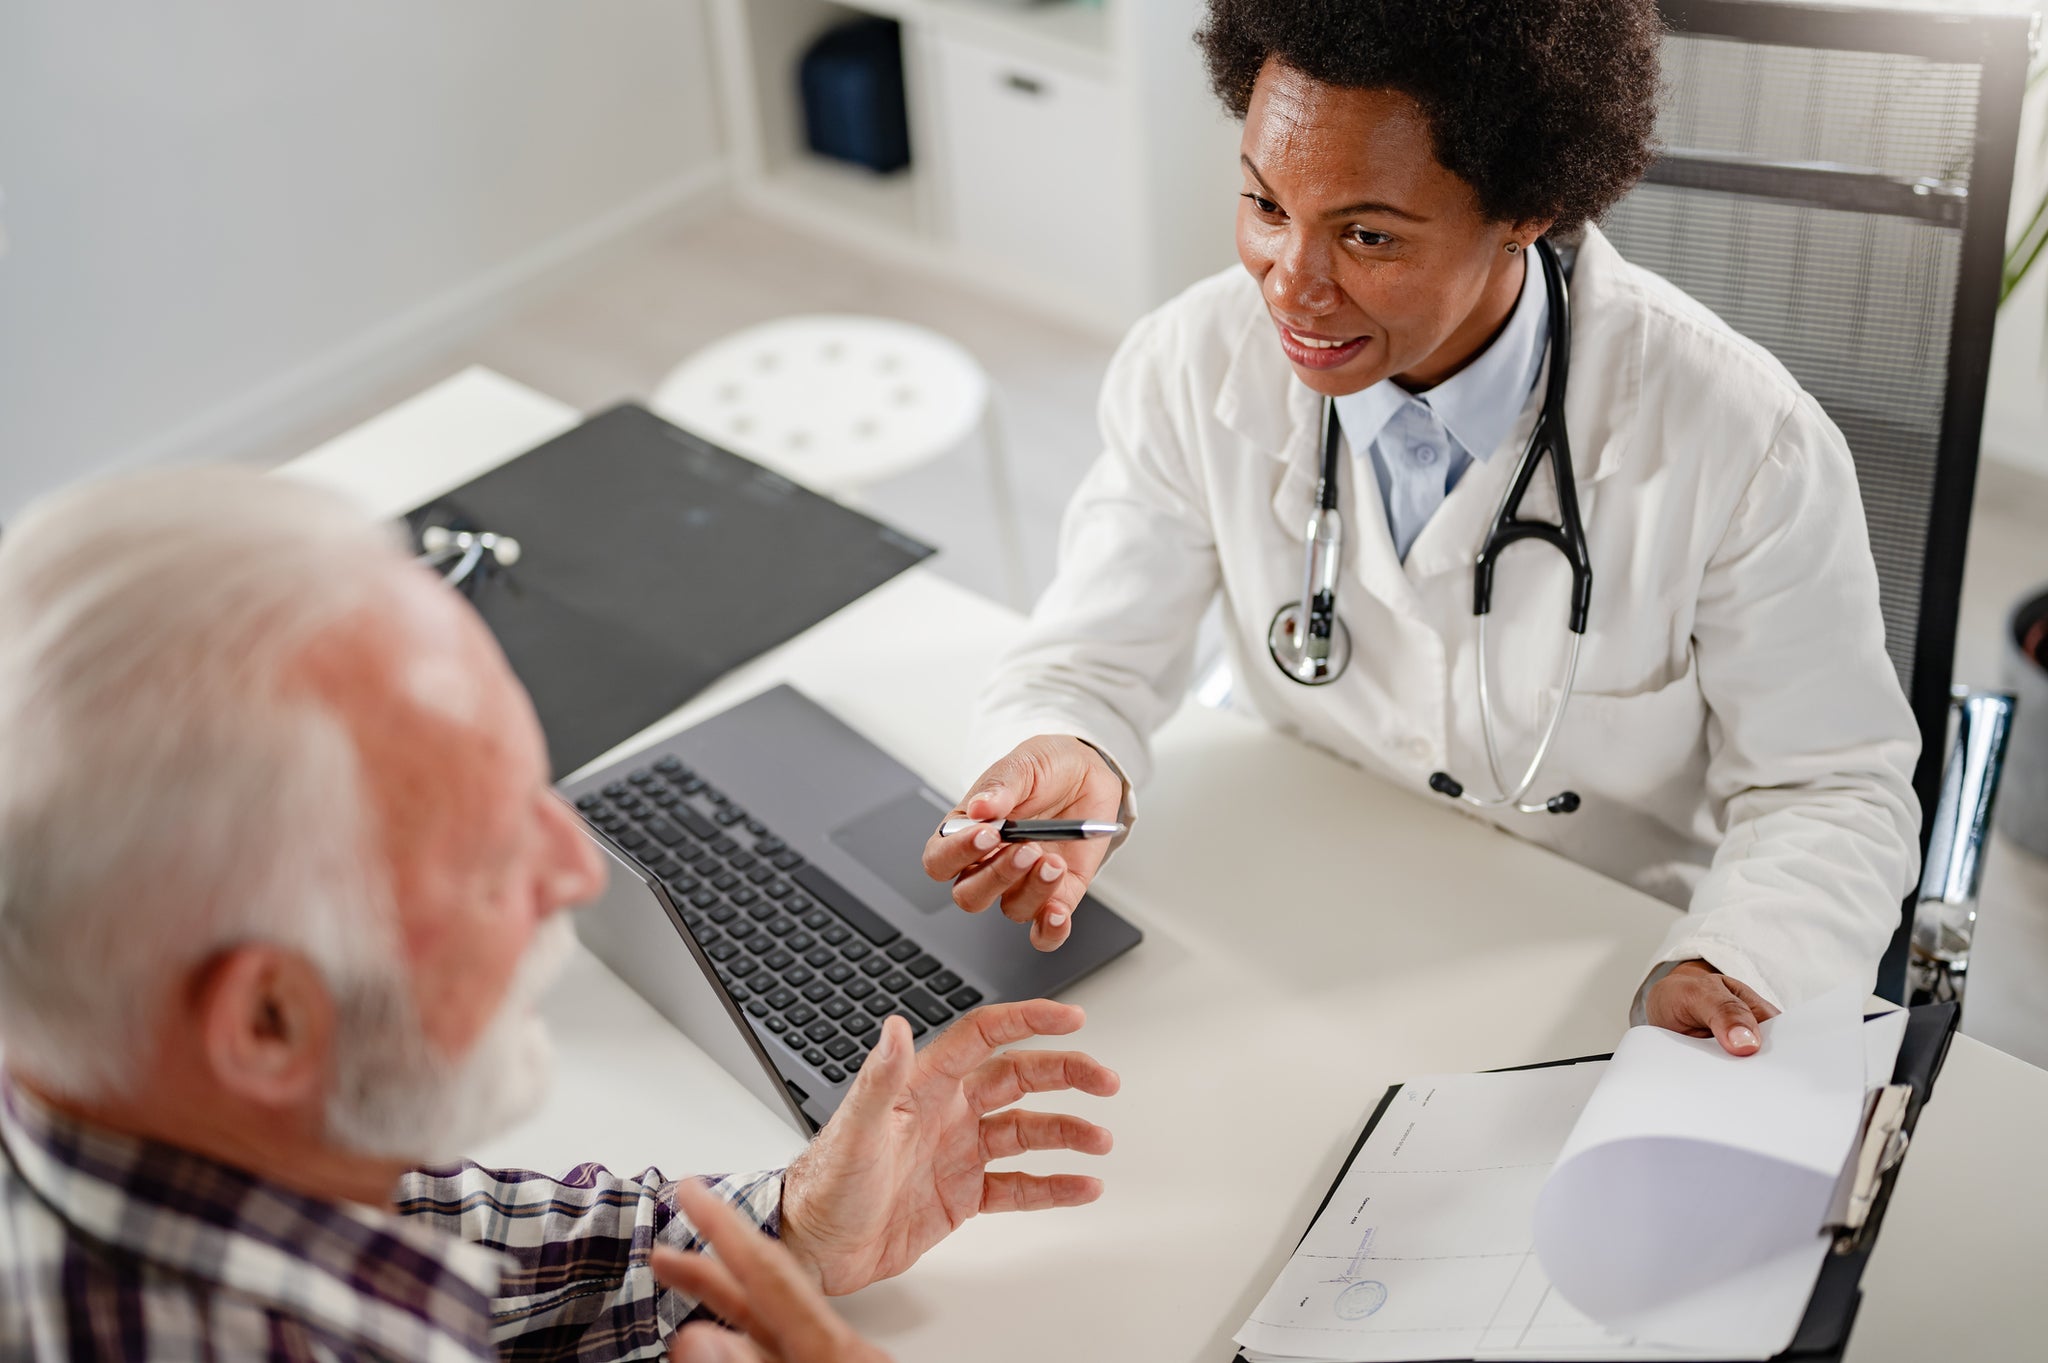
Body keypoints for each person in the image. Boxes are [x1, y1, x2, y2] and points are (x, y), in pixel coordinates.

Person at [923, 0, 1921, 1056]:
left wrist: (1732, 964)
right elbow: (1087, 662)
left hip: (1592, 960)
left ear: (1525, 208)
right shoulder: (1190, 364)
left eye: (1364, 234)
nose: (1289, 285)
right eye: (1264, 204)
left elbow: (1828, 787)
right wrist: (1068, 752)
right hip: (1304, 918)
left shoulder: (1740, 442)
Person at [0, 468, 1119, 1362]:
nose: (576, 872)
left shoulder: (135, 1104)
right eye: (486, 847)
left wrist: (784, 1226)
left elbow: (401, 1224)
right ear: (265, 1022)